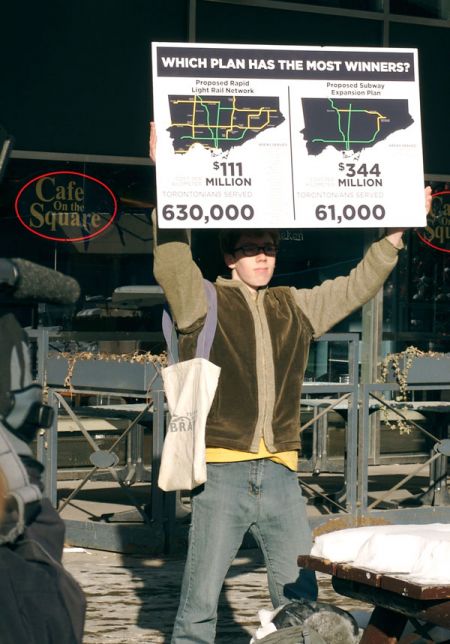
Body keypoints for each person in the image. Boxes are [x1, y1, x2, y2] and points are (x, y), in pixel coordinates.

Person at [151, 122, 432, 643]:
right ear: (229, 255)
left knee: (302, 607)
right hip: (222, 473)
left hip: (280, 475)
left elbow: (353, 289)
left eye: (271, 246)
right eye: (250, 247)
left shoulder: (292, 305)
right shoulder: (203, 300)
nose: (263, 255)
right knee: (198, 608)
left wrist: (392, 240)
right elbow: (172, 260)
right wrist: (170, 179)